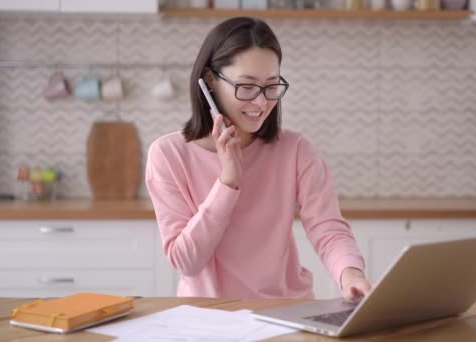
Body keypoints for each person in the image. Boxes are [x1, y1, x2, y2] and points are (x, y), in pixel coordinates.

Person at [145, 16, 372, 301]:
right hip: (209, 317)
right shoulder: (167, 155)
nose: (262, 102)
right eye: (247, 87)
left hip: (286, 312)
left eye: (271, 86)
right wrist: (227, 182)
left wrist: (351, 274)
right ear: (210, 81)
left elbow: (328, 228)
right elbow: (186, 261)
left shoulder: (296, 149)